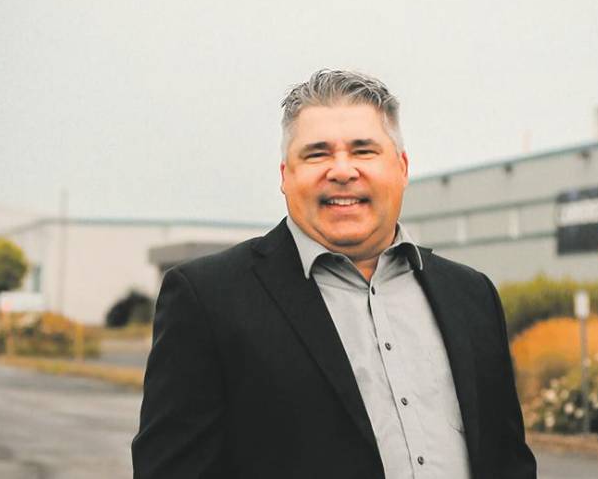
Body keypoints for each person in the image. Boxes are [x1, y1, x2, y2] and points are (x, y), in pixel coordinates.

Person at [132, 69, 537, 479]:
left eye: (364, 151)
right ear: (285, 175)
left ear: (402, 167)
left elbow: (508, 461)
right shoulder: (208, 299)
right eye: (317, 153)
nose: (342, 171)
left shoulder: (472, 295)